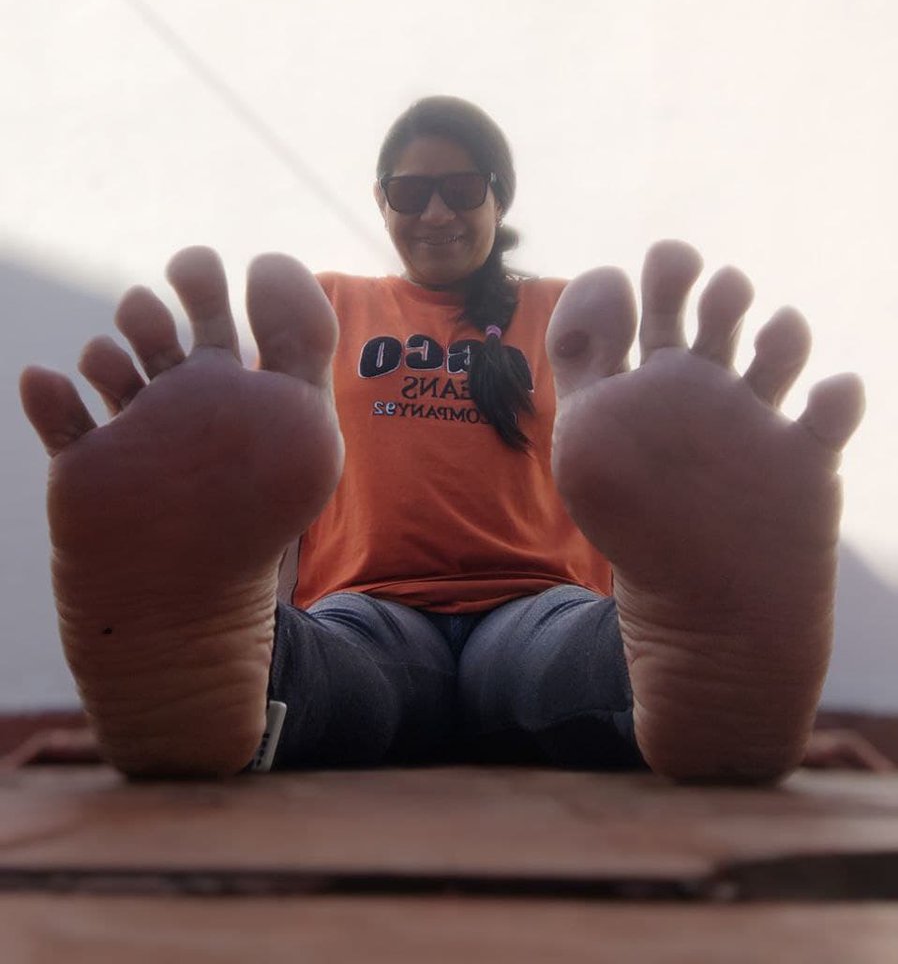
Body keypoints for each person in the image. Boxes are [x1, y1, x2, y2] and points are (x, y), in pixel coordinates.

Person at [19, 96, 865, 783]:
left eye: (461, 189)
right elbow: (267, 507)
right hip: (368, 602)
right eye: (409, 191)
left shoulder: (570, 318)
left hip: (534, 600)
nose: (435, 212)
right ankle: (216, 687)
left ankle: (701, 682)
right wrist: (235, 612)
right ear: (380, 200)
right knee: (328, 674)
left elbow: (629, 505)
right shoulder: (325, 310)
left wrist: (680, 611)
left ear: (500, 197)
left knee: (584, 660)